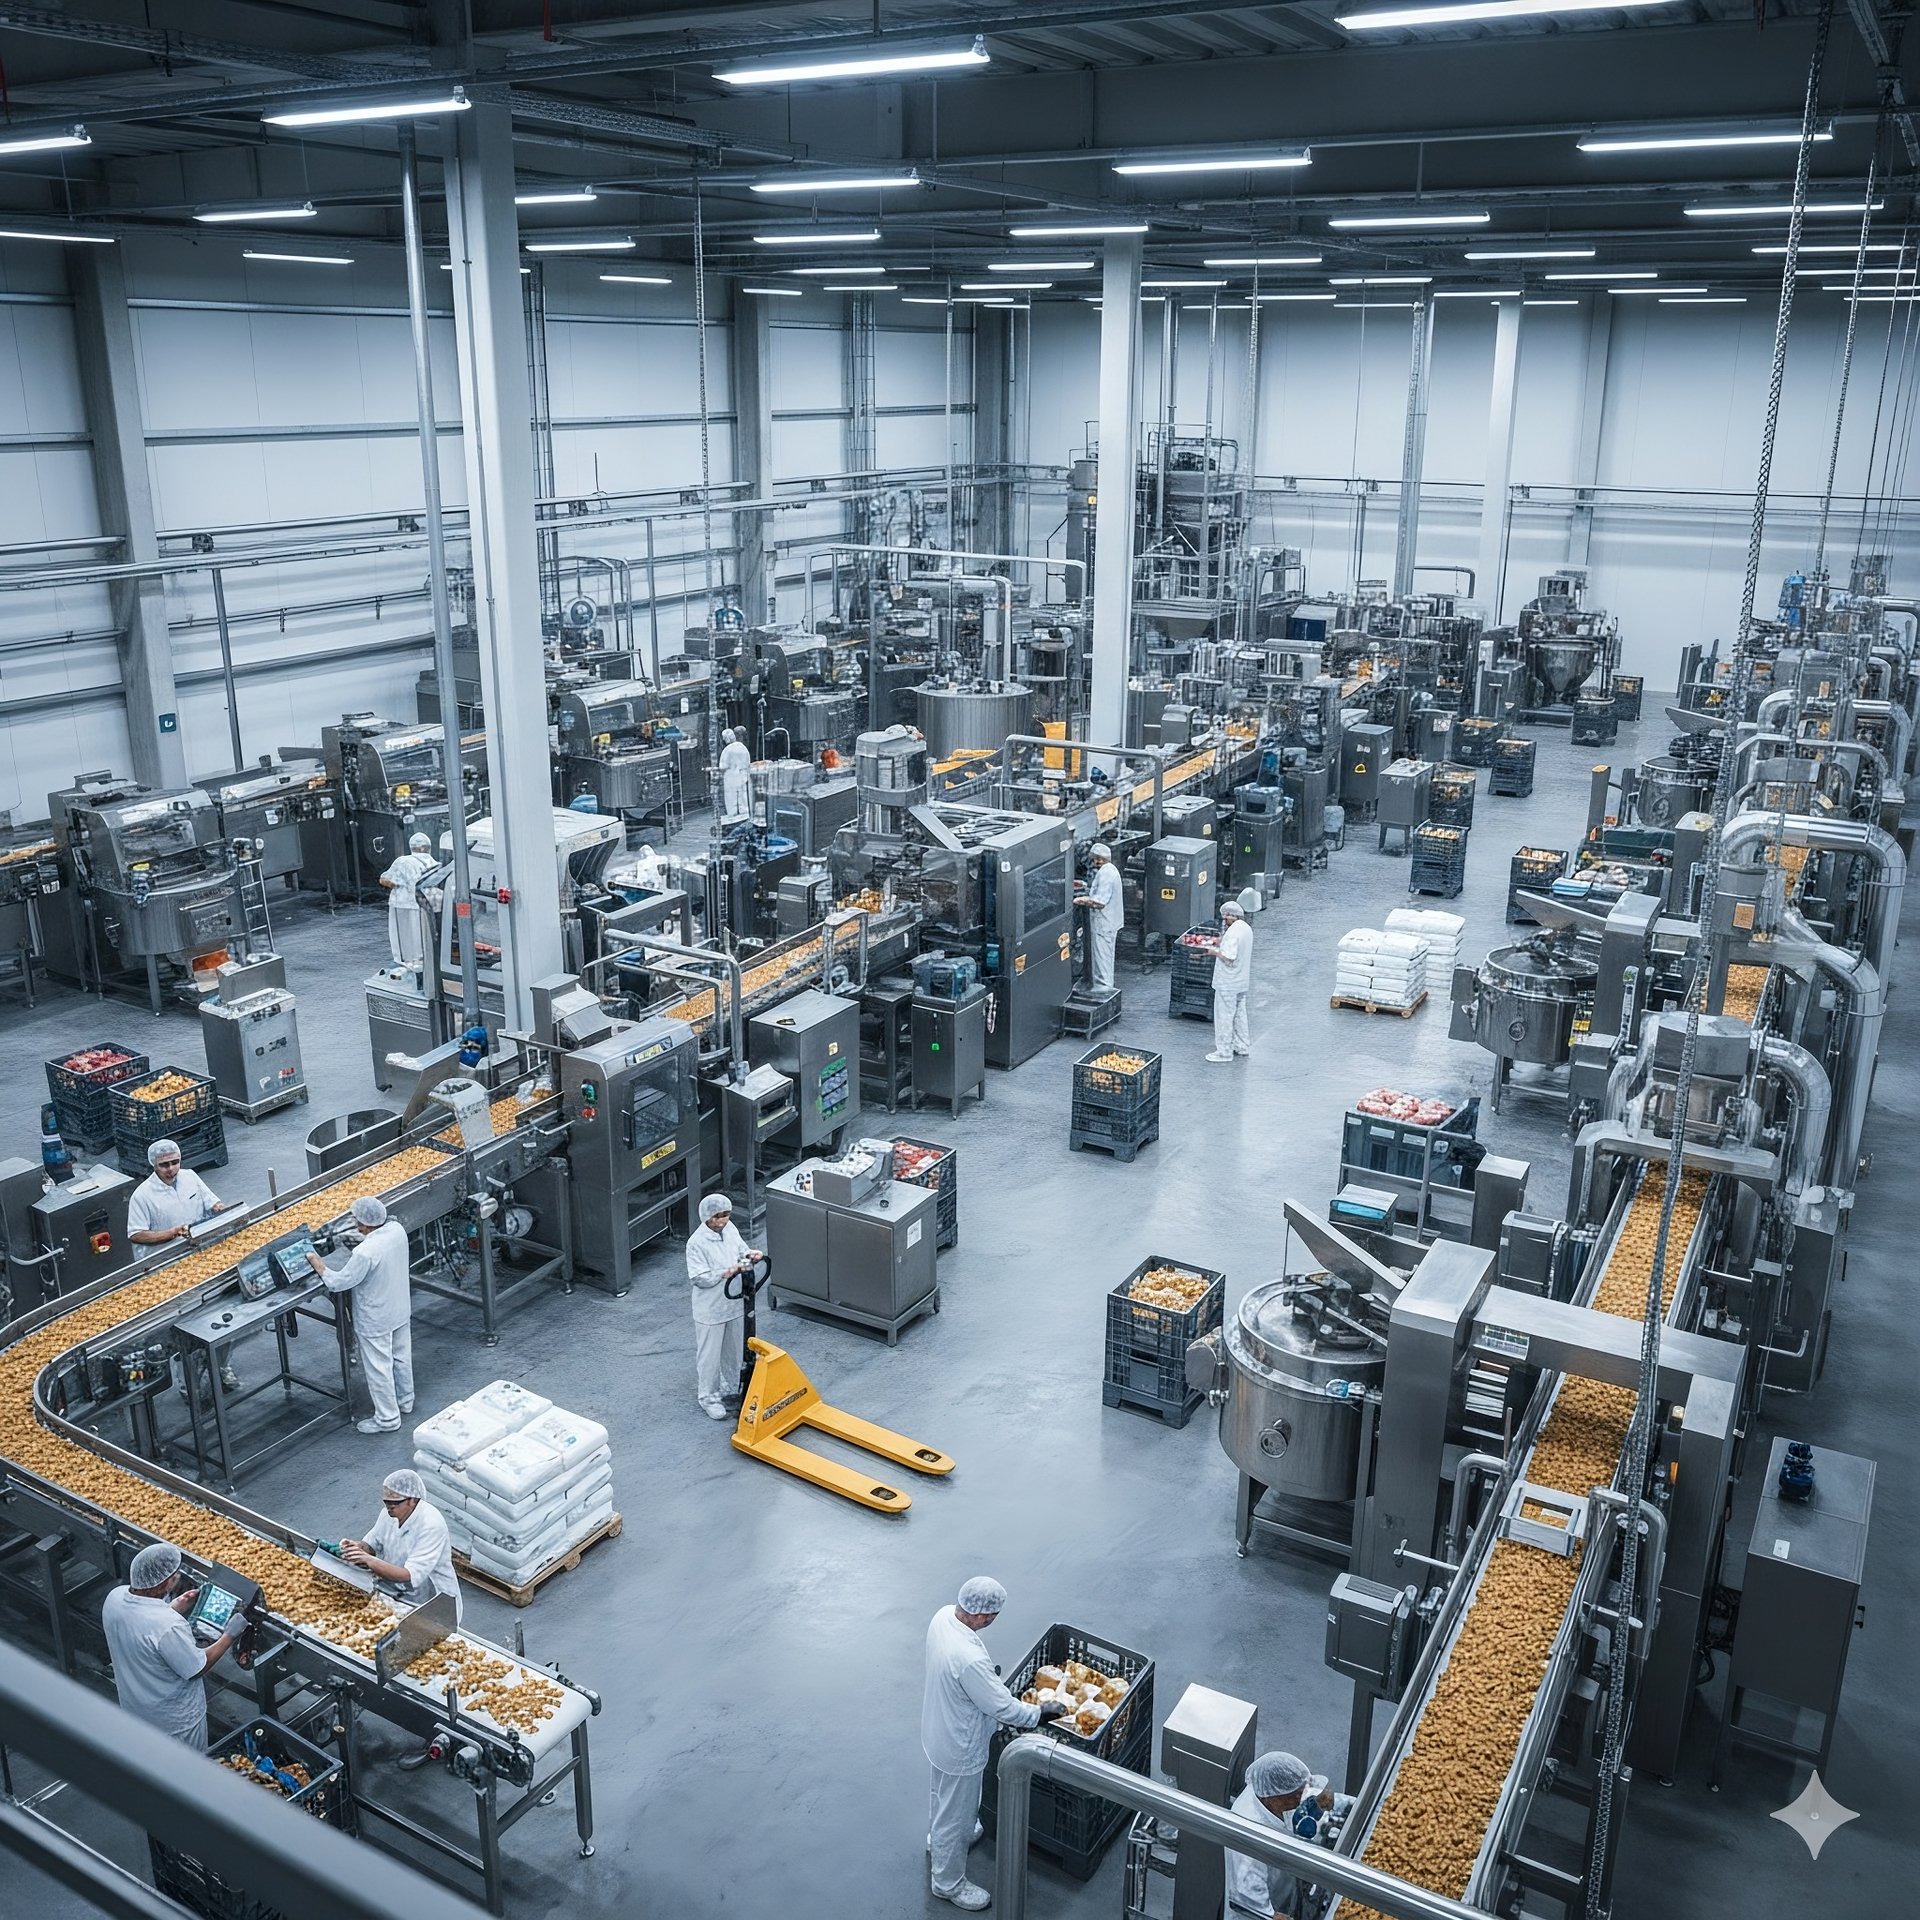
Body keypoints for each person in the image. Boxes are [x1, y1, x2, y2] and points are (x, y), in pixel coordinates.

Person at [922, 1576, 1066, 1912]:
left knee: (941, 1797)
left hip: (938, 1728)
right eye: (992, 1616)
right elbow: (1002, 1706)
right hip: (960, 1744)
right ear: (982, 1615)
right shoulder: (969, 1659)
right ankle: (947, 1883)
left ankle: (937, 1841)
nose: (992, 1621)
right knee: (956, 1815)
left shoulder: (943, 1616)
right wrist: (1040, 1714)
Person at [341, 1469, 460, 1770]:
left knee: (431, 1674)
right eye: (385, 1502)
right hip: (398, 1601)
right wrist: (358, 1549)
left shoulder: (431, 1524)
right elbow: (373, 1543)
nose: (388, 1508)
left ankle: (442, 1736)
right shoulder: (390, 1514)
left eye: (394, 1503)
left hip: (433, 1605)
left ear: (413, 1500)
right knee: (403, 1666)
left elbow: (411, 1575)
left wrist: (369, 1561)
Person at [100, 1541, 238, 1748]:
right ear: (163, 1585)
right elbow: (197, 1667)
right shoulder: (167, 1625)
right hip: (175, 1724)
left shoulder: (115, 1598)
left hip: (135, 1708)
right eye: (174, 1576)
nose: (177, 1578)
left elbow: (144, 1628)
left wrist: (173, 1607)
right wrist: (230, 1635)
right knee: (186, 1770)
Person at [306, 1196, 415, 1434]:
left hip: (376, 1317)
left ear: (364, 1224)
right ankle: (406, 1401)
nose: (355, 1224)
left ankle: (388, 1419)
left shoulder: (365, 1252)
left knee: (379, 1368)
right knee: (401, 1357)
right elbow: (377, 1243)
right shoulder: (397, 1230)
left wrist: (315, 1261)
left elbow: (338, 1282)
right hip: (399, 1308)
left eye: (357, 1220)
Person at [1225, 1750, 1353, 1918]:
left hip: (1285, 1882)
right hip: (1262, 1906)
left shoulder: (1269, 1787)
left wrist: (1346, 1804)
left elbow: (1313, 1799)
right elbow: (1251, 1903)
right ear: (1273, 1799)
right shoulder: (1250, 1839)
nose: (1300, 1802)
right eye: (1295, 1798)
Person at [685, 1193, 759, 1420]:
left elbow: (740, 1250)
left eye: (725, 1216)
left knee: (734, 1351)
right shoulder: (696, 1243)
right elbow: (699, 1278)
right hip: (710, 1309)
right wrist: (723, 1273)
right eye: (717, 1217)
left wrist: (750, 1254)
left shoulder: (730, 1229)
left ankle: (731, 1390)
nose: (722, 1221)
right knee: (709, 1357)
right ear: (706, 1217)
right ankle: (708, 1398)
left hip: (734, 1303)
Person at [127, 1139, 235, 1248]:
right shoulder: (142, 1195)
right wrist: (172, 1233)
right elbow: (136, 1234)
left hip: (202, 1241)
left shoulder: (190, 1176)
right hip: (170, 1250)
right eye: (164, 1165)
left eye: (175, 1162)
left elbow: (212, 1202)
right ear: (154, 1165)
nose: (171, 1168)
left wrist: (219, 1207)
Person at [379, 831, 436, 970]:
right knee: (423, 934)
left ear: (411, 847)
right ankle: (424, 959)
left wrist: (398, 885)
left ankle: (406, 962)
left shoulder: (403, 861)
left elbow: (385, 880)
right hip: (426, 903)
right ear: (428, 847)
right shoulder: (434, 862)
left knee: (402, 936)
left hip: (403, 904)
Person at [1206, 898, 1254, 1064]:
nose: (1224, 920)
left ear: (1232, 916)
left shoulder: (1233, 932)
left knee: (1224, 1016)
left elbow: (1229, 957)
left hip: (1228, 983)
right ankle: (1242, 1046)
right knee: (1240, 1015)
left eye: (1226, 917)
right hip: (1241, 982)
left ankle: (1224, 1052)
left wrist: (1214, 952)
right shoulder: (1246, 929)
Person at [1081, 842, 1123, 992]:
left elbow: (1099, 902)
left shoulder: (1106, 873)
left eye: (1095, 859)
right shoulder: (1110, 870)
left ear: (1099, 858)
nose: (1094, 863)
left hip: (1104, 923)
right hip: (1108, 922)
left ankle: (1102, 988)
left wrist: (1081, 900)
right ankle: (1103, 985)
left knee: (1102, 956)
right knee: (1104, 955)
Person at [718, 726, 753, 819]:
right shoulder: (742, 747)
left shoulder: (727, 750)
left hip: (730, 778)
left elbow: (722, 766)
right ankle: (744, 813)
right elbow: (748, 762)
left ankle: (732, 815)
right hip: (742, 775)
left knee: (731, 797)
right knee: (743, 795)